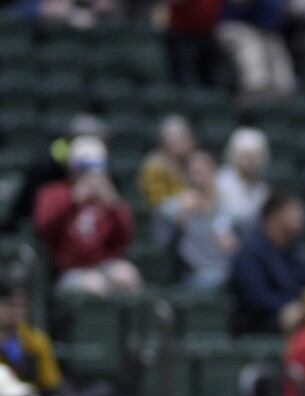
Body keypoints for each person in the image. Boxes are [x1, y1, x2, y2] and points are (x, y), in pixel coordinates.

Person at [34, 136, 142, 296]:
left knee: (126, 275)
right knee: (94, 285)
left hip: (104, 264)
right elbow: (44, 229)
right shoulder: (53, 193)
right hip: (68, 270)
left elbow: (125, 239)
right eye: (83, 169)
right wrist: (74, 200)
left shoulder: (107, 198)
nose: (90, 175)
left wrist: (114, 205)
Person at [228, 192, 305, 334]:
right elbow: (255, 298)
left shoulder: (295, 251)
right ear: (275, 216)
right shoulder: (250, 251)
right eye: (294, 211)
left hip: (296, 314)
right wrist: (288, 307)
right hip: (258, 324)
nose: (301, 217)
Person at [153, 150, 238, 291]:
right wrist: (181, 215)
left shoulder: (225, 205)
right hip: (191, 272)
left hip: (223, 267)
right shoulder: (176, 205)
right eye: (196, 172)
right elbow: (161, 236)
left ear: (214, 173)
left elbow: (234, 241)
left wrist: (233, 243)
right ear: (186, 176)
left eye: (205, 172)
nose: (201, 177)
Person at [216, 127, 272, 236]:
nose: (249, 161)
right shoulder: (220, 182)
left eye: (253, 156)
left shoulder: (262, 189)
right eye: (244, 155)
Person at [138, 115, 199, 210]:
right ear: (164, 141)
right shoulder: (155, 166)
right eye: (174, 138)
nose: (179, 142)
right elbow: (156, 204)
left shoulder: (195, 162)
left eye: (182, 137)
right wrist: (180, 201)